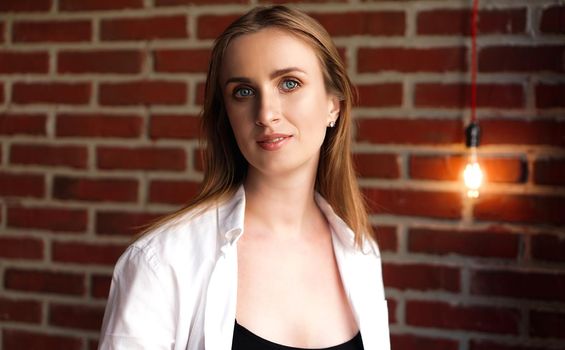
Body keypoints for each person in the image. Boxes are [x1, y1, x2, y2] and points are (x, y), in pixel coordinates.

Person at [98, 5, 389, 350]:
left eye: (290, 83)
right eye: (244, 92)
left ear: (333, 104)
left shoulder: (361, 253)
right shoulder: (162, 262)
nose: (266, 114)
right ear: (227, 116)